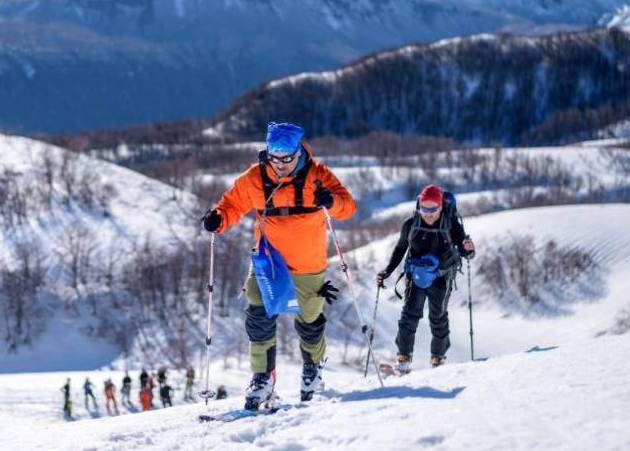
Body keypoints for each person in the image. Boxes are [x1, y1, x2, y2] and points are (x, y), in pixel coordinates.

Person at [202, 121, 356, 410]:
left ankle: (313, 367)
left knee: (310, 322)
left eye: (288, 158)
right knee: (258, 317)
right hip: (268, 263)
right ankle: (262, 378)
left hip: (308, 265)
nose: (282, 164)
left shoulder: (318, 175)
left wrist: (331, 202)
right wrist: (218, 219)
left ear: (298, 152)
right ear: (267, 154)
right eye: (275, 158)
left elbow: (348, 206)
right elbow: (232, 204)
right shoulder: (255, 177)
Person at [376, 184, 475, 374]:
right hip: (415, 276)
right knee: (408, 316)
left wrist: (469, 249)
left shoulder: (452, 225)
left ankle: (438, 359)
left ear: (440, 207)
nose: (428, 213)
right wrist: (387, 272)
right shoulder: (410, 224)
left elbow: (465, 252)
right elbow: (400, 249)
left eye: (433, 209)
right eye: (424, 208)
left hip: (441, 277)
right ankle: (403, 359)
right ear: (418, 206)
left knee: (437, 317)